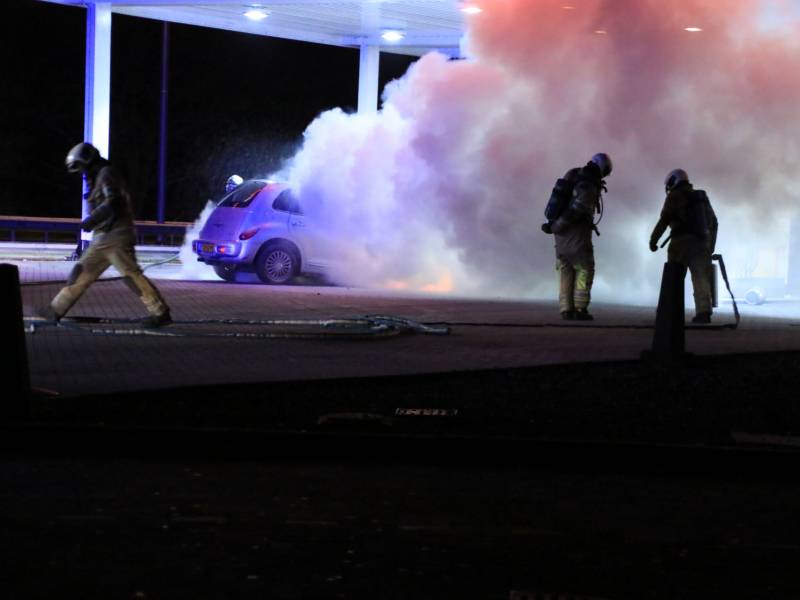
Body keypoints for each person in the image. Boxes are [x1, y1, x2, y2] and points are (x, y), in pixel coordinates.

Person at [38, 142, 172, 328]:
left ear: (87, 162)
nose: (81, 174)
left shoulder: (106, 174)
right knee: (80, 273)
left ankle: (160, 312)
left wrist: (91, 220)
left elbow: (113, 202)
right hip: (102, 238)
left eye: (81, 168)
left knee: (131, 275)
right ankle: (55, 310)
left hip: (116, 236)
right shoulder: (98, 177)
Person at [542, 153, 612, 320]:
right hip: (577, 233)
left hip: (559, 234)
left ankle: (566, 309)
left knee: (565, 269)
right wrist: (559, 226)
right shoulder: (589, 184)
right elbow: (578, 209)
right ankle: (580, 309)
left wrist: (554, 227)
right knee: (584, 269)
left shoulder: (573, 173)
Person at [649, 168, 718, 323]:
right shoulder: (700, 197)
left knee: (674, 278)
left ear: (674, 181)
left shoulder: (674, 196)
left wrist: (653, 240)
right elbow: (714, 222)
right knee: (701, 278)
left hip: (679, 244)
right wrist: (710, 246)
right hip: (701, 244)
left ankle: (668, 312)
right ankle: (704, 313)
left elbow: (664, 221)